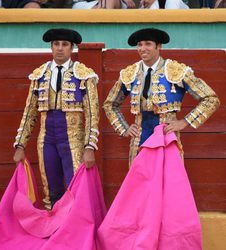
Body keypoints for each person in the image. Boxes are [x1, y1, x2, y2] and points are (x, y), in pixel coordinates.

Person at [103, 28, 220, 166]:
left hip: (167, 135)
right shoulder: (130, 73)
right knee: (140, 182)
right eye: (139, 44)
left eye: (148, 44)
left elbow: (211, 99)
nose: (142, 48)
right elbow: (110, 104)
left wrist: (184, 122)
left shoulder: (175, 70)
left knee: (168, 181)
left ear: (159, 46)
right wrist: (124, 128)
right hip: (140, 137)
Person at [13, 28, 100, 209]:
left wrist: (90, 146)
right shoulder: (39, 75)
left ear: (71, 48)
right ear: (51, 47)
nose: (60, 48)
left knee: (74, 188)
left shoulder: (84, 75)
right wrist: (20, 145)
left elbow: (93, 114)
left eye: (64, 45)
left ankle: (75, 232)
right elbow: (29, 112)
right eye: (56, 44)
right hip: (47, 139)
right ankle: (54, 231)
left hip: (74, 138)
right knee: (51, 189)